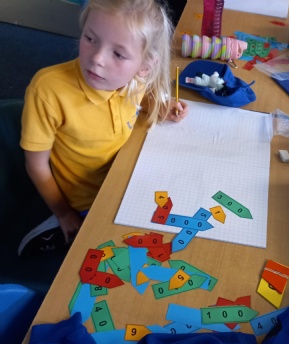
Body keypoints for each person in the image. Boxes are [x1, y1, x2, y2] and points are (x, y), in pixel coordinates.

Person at [18, 0, 188, 257]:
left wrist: (158, 105)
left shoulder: (133, 79)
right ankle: (56, 225)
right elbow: (36, 166)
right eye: (90, 39)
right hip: (86, 199)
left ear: (144, 66)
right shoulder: (48, 90)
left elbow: (139, 96)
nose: (97, 58)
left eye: (118, 54)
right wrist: (64, 213)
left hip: (124, 174)